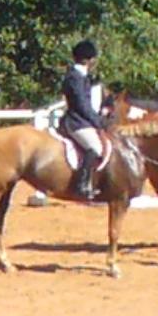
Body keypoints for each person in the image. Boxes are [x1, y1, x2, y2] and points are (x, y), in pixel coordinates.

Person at [61, 39, 107, 201]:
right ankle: (81, 185)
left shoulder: (81, 76)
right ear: (89, 60)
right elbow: (81, 105)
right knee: (95, 147)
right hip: (76, 122)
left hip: (81, 120)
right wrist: (98, 121)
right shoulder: (75, 77)